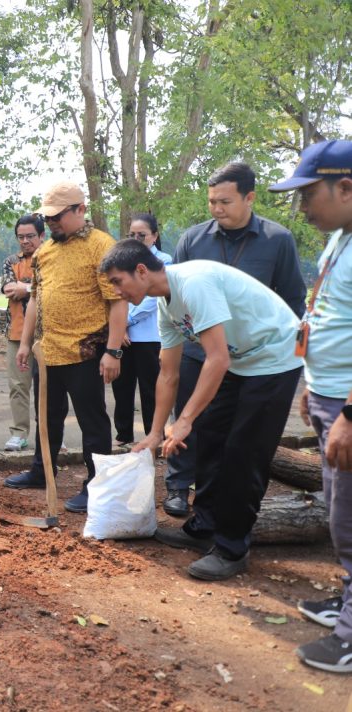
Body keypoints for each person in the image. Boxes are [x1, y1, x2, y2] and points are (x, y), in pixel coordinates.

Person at [101, 240, 302, 580]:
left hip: (275, 356)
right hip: (240, 360)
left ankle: (232, 548)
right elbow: (169, 374)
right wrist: (155, 433)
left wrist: (184, 420)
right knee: (209, 437)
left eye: (118, 281)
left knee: (244, 452)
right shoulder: (165, 305)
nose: (117, 292)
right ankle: (204, 526)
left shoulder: (193, 283)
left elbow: (217, 359)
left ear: (141, 271)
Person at [162, 161, 306, 517]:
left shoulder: (277, 240)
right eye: (212, 201)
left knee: (240, 436)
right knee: (193, 422)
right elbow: (173, 292)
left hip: (255, 357)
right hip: (200, 351)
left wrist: (298, 357)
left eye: (225, 202)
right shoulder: (193, 239)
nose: (216, 209)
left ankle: (229, 517)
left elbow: (292, 302)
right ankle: (179, 487)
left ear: (250, 198)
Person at [267, 140, 352, 673]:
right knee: (339, 508)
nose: (302, 208)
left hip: (347, 404)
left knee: (349, 516)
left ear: (345, 187)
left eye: (308, 194)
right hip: (328, 393)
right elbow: (327, 314)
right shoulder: (340, 239)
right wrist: (311, 384)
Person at [3, 181, 126, 515]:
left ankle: (96, 484)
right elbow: (35, 299)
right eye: (48, 217)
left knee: (92, 420)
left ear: (80, 210)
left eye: (58, 216)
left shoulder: (102, 246)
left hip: (86, 351)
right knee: (47, 416)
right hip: (49, 351)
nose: (52, 222)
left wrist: (113, 351)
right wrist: (25, 343)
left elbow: (118, 302)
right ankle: (41, 471)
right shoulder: (44, 252)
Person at [112, 213, 172, 447]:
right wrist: (120, 329)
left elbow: (153, 299)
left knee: (151, 388)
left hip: (150, 336)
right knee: (122, 387)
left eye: (142, 235)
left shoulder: (163, 261)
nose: (136, 239)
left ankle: (153, 434)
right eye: (132, 235)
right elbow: (116, 296)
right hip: (124, 337)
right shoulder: (123, 261)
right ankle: (123, 434)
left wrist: (125, 321)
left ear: (154, 236)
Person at [0, 214, 43, 451]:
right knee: (18, 385)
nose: (25, 241)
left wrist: (25, 288)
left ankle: (51, 433)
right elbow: (9, 289)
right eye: (20, 237)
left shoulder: (50, 259)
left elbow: (52, 288)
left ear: (42, 235)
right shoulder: (11, 261)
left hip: (47, 334)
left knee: (49, 387)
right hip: (17, 334)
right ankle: (19, 433)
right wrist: (34, 288)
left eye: (30, 236)